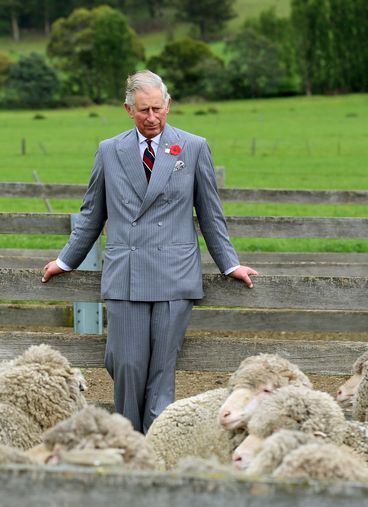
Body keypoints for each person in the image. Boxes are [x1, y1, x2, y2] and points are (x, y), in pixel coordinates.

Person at [41, 70, 257, 434]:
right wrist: (66, 260)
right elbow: (93, 213)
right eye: (143, 110)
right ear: (128, 109)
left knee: (161, 369)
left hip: (174, 274)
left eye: (158, 108)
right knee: (124, 363)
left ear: (168, 105)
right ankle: (127, 435)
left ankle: (154, 442)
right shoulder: (110, 150)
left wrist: (229, 264)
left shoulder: (193, 147)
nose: (152, 117)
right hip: (126, 273)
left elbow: (210, 213)